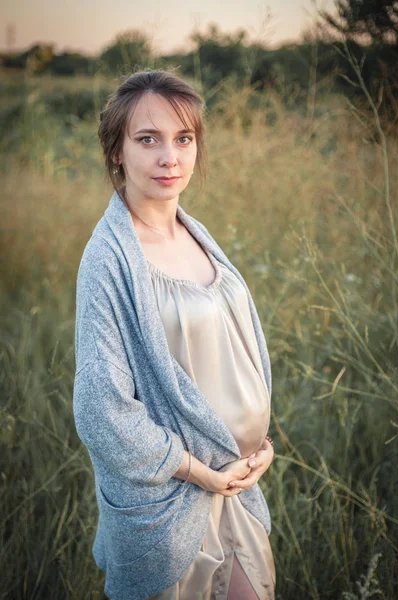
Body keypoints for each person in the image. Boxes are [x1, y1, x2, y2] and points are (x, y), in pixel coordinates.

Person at [73, 69, 276, 600]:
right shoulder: (110, 259)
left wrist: (259, 446)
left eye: (183, 139)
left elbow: (231, 355)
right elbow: (101, 410)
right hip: (171, 508)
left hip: (239, 489)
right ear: (116, 151)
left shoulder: (196, 233)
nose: (171, 157)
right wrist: (199, 473)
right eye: (148, 139)